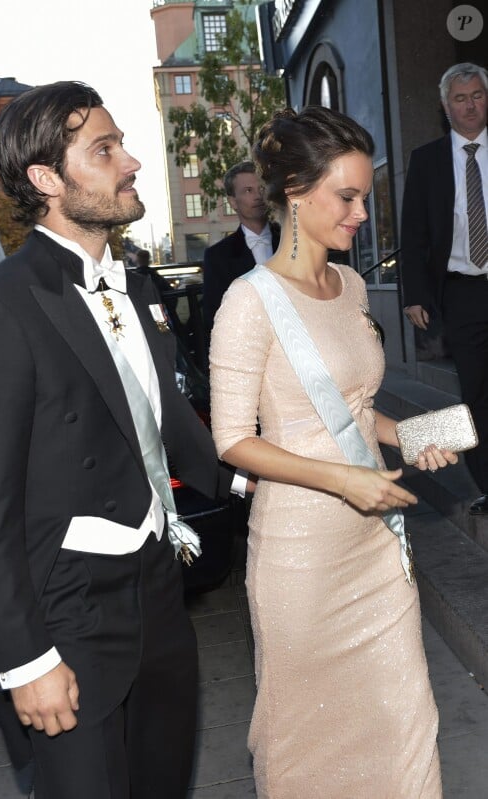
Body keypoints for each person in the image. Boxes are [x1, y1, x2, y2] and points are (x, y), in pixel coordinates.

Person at [0, 81, 241, 799]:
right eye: (104, 150)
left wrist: (261, 478)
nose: (131, 162)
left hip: (160, 592)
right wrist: (24, 658)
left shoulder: (140, 291)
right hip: (63, 617)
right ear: (47, 180)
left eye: (122, 144)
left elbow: (165, 423)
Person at [209, 105, 457, 798]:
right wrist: (343, 481)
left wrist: (414, 435)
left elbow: (352, 408)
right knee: (309, 740)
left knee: (406, 719)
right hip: (303, 552)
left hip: (377, 549)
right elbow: (231, 438)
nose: (359, 214)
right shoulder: (247, 302)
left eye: (363, 197)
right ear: (294, 190)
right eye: (346, 197)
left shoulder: (349, 286)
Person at [400, 63, 488, 515]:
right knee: (475, 390)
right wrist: (414, 293)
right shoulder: (428, 159)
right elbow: (412, 232)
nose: (470, 105)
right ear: (444, 106)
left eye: (477, 95)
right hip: (462, 293)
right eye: (460, 98)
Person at [202, 160, 280, 338]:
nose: (258, 196)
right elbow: (215, 317)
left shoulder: (291, 240)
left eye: (261, 188)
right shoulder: (217, 256)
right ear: (233, 202)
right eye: (248, 191)